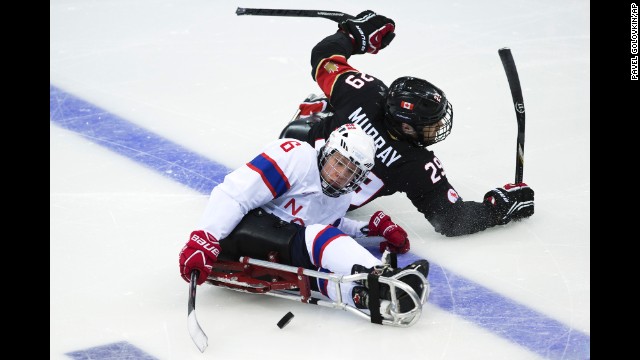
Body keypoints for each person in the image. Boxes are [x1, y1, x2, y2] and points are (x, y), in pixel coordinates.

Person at [280, 10, 535, 237]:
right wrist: (500, 206)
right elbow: (452, 219)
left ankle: (324, 109)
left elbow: (324, 58)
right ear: (406, 127)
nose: (436, 129)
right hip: (325, 207)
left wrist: (352, 35)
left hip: (289, 162)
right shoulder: (416, 164)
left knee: (314, 121)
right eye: (430, 124)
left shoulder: (365, 91)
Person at [179, 123, 429, 313]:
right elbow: (235, 193)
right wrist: (206, 237)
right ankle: (383, 277)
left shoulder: (342, 196)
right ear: (327, 150)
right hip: (237, 232)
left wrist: (369, 229)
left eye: (352, 172)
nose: (341, 175)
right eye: (338, 163)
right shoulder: (296, 156)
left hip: (277, 244)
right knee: (314, 239)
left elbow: (325, 224)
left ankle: (367, 296)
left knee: (317, 272)